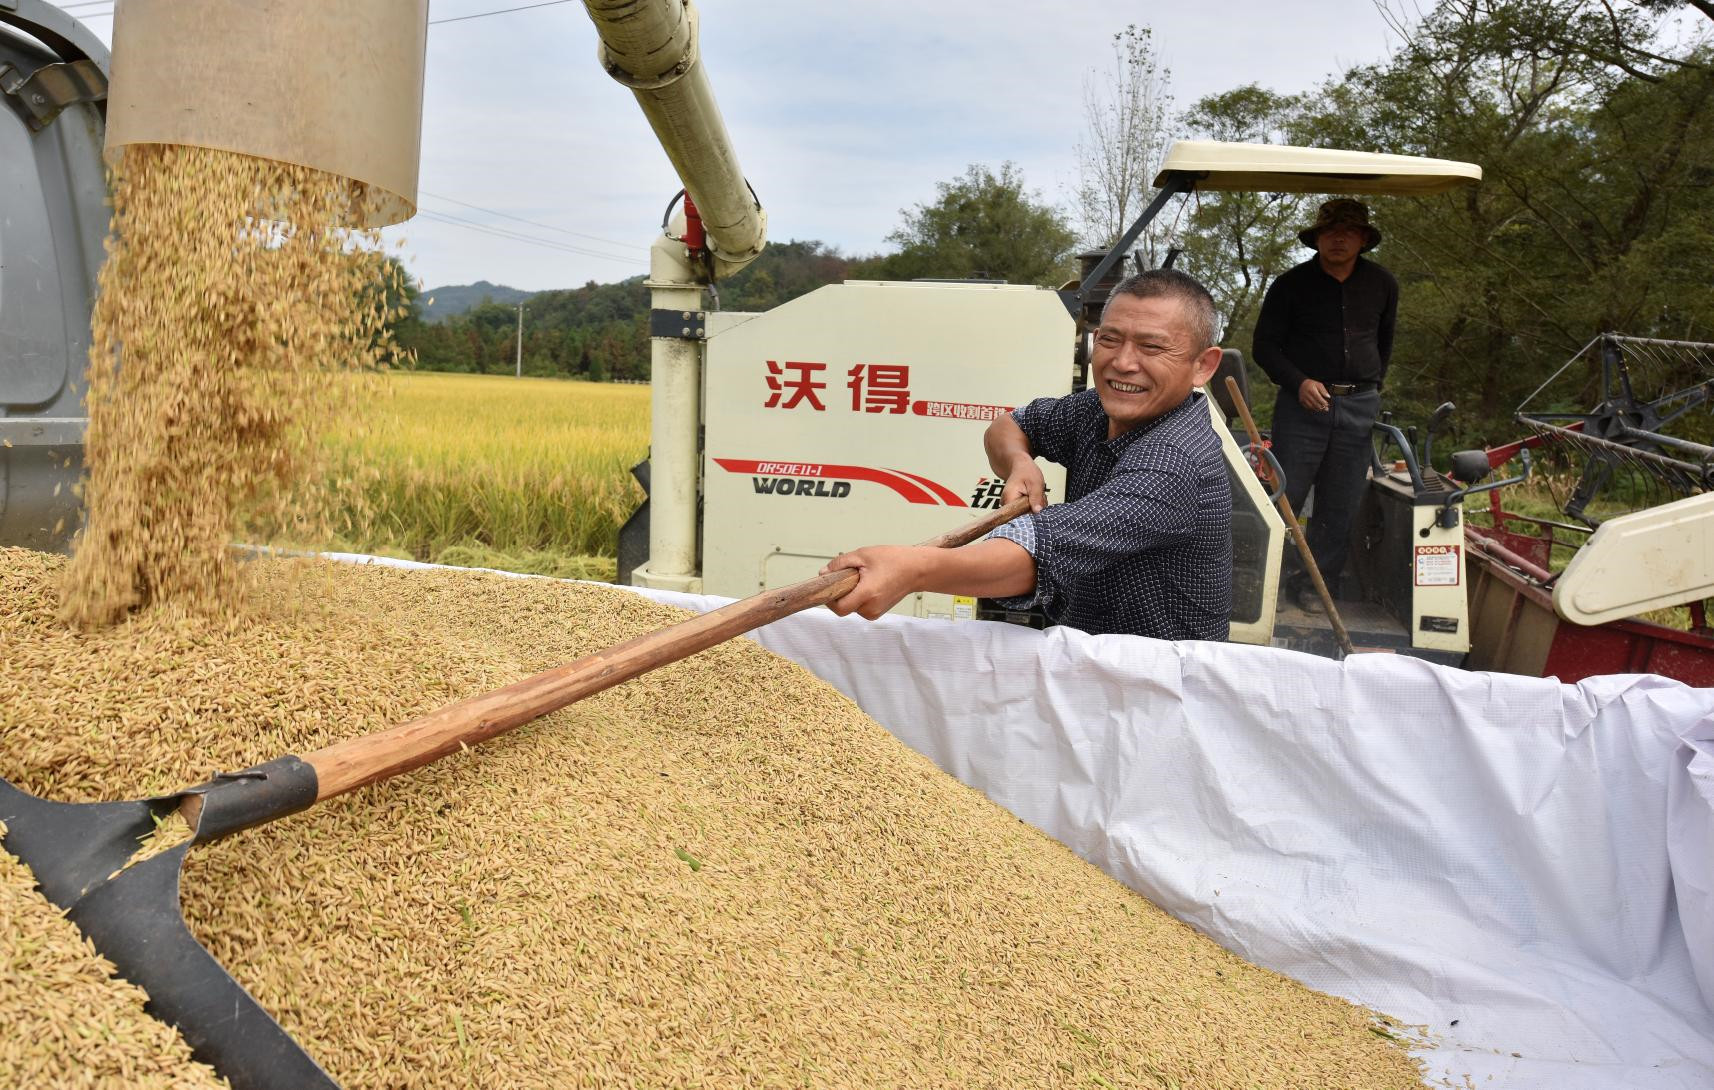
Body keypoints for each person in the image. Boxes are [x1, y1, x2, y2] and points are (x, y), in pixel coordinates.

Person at [822, 268, 1232, 641]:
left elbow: (1037, 553)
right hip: (1087, 658)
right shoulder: (1094, 410)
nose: (1123, 363)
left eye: (1152, 347)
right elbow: (1009, 426)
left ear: (1203, 366)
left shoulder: (1175, 460)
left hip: (1155, 683)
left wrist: (913, 569)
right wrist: (1020, 461)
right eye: (1109, 339)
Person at [1252, 198, 1397, 613]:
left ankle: (1315, 586)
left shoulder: (1383, 284)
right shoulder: (1290, 284)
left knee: (1341, 501)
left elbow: (1384, 343)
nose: (1338, 239)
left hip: (1358, 406)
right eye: (1330, 232)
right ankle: (1264, 588)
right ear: (1316, 239)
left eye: (1348, 231)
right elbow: (1265, 346)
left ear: (1363, 239)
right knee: (1285, 496)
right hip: (1302, 408)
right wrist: (1298, 382)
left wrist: (1368, 390)